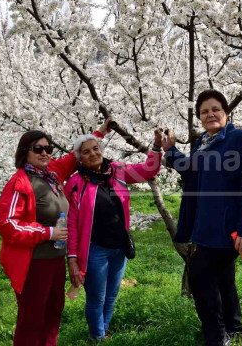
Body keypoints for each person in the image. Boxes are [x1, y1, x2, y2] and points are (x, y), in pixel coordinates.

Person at [0, 121, 109, 346]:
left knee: (53, 313)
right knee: (32, 319)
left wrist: (100, 134)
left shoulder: (52, 174)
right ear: (24, 152)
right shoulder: (21, 182)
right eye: (38, 149)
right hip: (33, 263)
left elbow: (75, 156)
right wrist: (46, 232)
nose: (45, 153)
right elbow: (6, 223)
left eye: (49, 148)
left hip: (56, 260)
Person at [162, 89, 242, 346]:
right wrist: (171, 151)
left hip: (228, 227)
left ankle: (216, 337)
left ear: (226, 112)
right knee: (223, 274)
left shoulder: (239, 139)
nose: (210, 114)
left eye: (215, 109)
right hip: (205, 225)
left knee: (200, 274)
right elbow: (192, 173)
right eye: (204, 112)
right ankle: (233, 326)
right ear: (199, 118)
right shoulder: (201, 142)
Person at [65, 130, 163, 341]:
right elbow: (71, 224)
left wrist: (156, 146)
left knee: (111, 295)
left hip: (119, 247)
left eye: (95, 148)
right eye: (86, 151)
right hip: (94, 250)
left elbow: (148, 171)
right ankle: (97, 337)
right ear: (79, 158)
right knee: (97, 297)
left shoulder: (117, 171)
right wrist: (72, 257)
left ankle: (104, 330)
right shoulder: (75, 184)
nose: (92, 153)